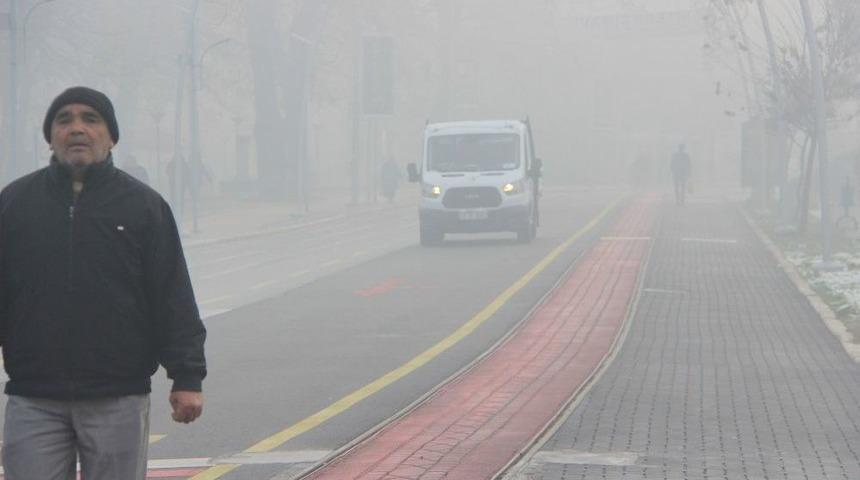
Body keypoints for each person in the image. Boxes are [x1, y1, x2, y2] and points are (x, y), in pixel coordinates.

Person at [0, 86, 207, 480]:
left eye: (91, 119)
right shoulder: (14, 204)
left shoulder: (144, 207)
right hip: (33, 397)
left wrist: (187, 376)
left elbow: (172, 295)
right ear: (50, 138)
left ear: (111, 137)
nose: (77, 128)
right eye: (64, 120)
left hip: (118, 396)